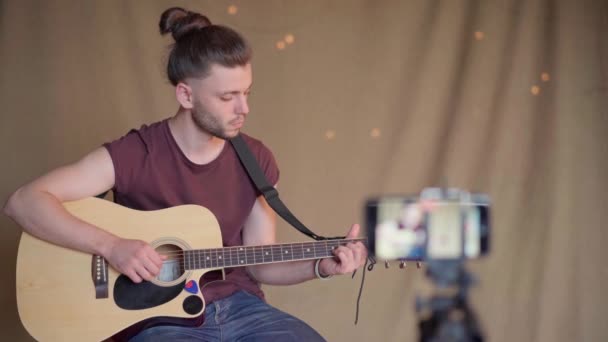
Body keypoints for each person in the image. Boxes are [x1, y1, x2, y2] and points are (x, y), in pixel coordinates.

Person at [3, 7, 367, 342]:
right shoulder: (136, 153)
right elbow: (24, 202)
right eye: (228, 97)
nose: (244, 109)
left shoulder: (256, 159)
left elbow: (260, 264)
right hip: (155, 319)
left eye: (247, 93)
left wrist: (322, 265)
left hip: (242, 310)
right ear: (186, 95)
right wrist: (111, 246)